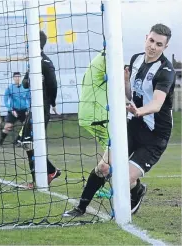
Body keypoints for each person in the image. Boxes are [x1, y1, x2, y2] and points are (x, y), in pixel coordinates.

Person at [63, 23, 176, 217]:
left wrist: (138, 111)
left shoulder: (166, 71)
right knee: (104, 167)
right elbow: (131, 94)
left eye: (159, 44)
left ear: (165, 47)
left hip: (155, 136)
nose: (153, 47)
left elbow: (157, 104)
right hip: (132, 125)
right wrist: (125, 82)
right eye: (151, 41)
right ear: (146, 37)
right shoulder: (136, 60)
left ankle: (137, 190)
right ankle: (80, 208)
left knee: (122, 178)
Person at [18, 31, 61, 188]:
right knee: (26, 142)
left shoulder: (45, 62)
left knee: (29, 142)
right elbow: (24, 83)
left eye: (29, 42)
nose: (27, 45)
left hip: (42, 107)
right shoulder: (34, 62)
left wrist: (53, 103)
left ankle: (43, 176)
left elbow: (53, 84)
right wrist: (29, 79)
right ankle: (49, 172)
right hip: (34, 107)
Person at [0, 72, 31, 146]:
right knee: (8, 126)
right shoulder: (10, 88)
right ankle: (0, 141)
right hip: (14, 110)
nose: (17, 78)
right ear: (13, 78)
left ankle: (18, 141)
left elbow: (29, 99)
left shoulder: (26, 88)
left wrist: (28, 109)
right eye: (16, 77)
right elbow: (5, 100)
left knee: (26, 126)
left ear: (21, 78)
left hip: (24, 110)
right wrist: (11, 109)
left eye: (19, 77)